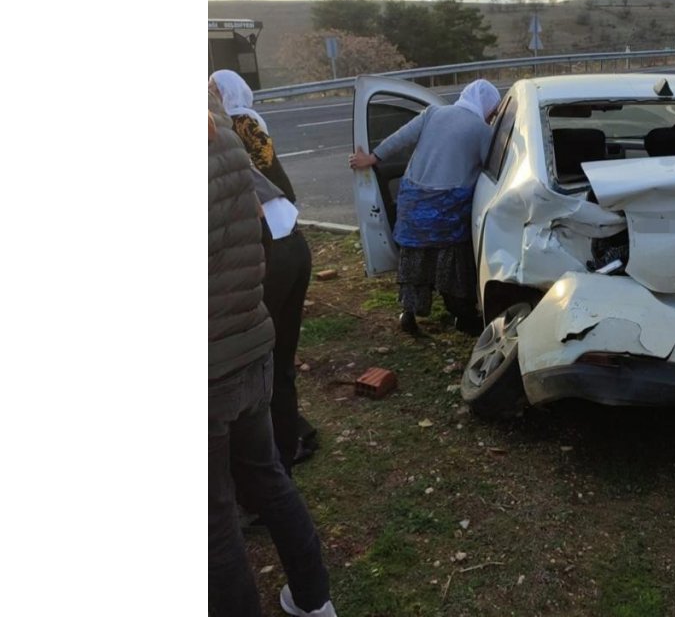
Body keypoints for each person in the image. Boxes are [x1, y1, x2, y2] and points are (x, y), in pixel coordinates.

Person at [209, 91, 337, 617]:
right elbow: (262, 236)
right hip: (249, 344)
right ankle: (313, 599)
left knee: (212, 520)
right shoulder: (220, 133)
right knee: (266, 475)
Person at [211, 69, 318, 472]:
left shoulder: (226, 132)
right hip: (290, 239)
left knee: (257, 367)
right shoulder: (233, 134)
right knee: (279, 362)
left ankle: (265, 470)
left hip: (268, 249)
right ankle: (284, 460)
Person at [349, 79, 501, 336]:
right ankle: (461, 314)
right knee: (451, 261)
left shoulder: (433, 113)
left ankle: (408, 313)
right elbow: (491, 167)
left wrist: (372, 158)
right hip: (447, 210)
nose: (492, 115)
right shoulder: (482, 131)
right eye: (493, 110)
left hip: (413, 204)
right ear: (485, 105)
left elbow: (402, 137)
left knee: (415, 260)